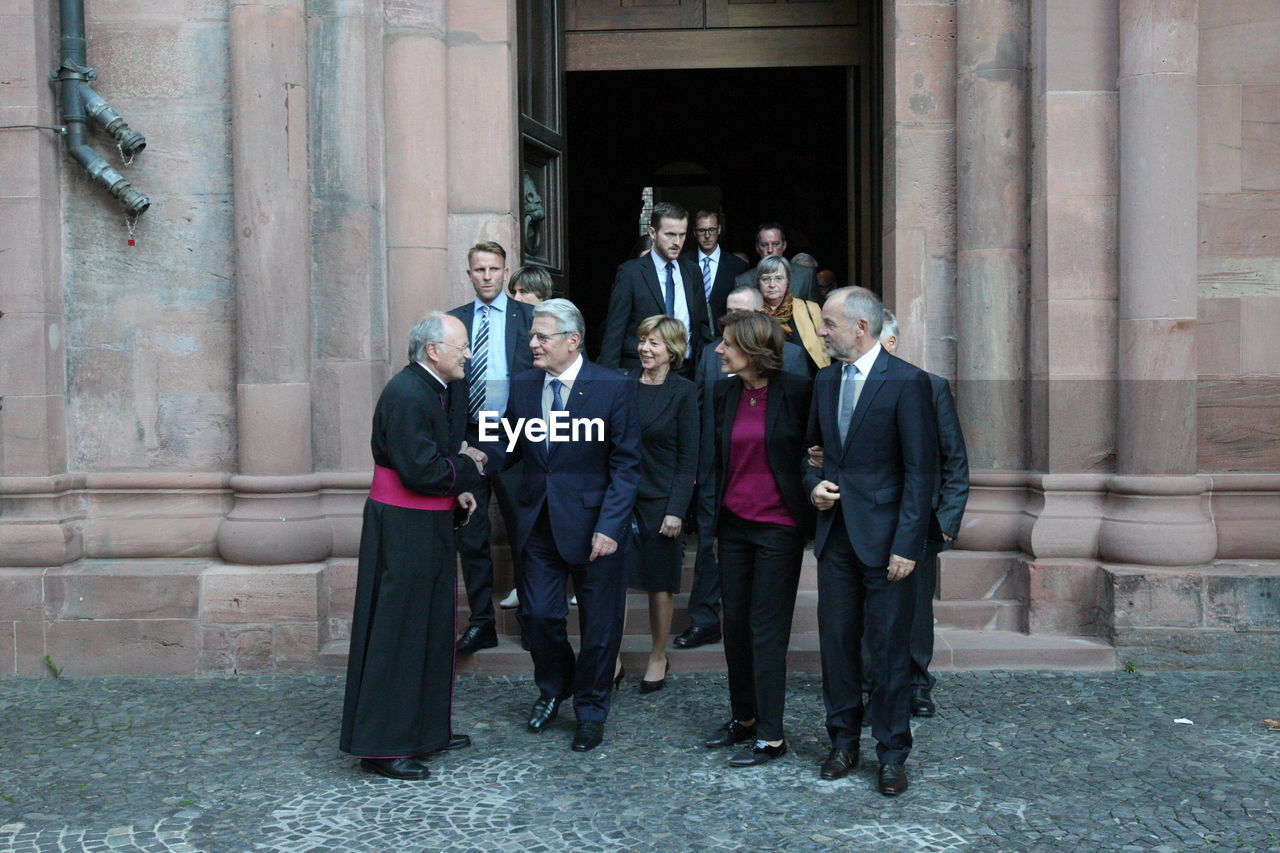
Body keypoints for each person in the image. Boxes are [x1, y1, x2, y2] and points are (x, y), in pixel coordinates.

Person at [484, 298, 642, 752]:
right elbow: (506, 446)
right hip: (538, 524)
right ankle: (555, 687)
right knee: (538, 615)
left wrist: (611, 526)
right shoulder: (521, 385)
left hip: (597, 529)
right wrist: (469, 460)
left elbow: (627, 465)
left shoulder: (613, 386)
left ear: (573, 341)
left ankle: (591, 709)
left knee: (600, 627)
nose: (532, 344)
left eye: (541, 337)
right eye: (532, 336)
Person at [340, 313, 488, 781]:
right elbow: (420, 470)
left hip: (424, 524)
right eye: (461, 345)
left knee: (428, 629)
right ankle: (383, 747)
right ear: (432, 351)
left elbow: (428, 465)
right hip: (403, 530)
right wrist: (466, 466)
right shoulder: (408, 393)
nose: (468, 353)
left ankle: (423, 733)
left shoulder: (428, 389)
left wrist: (454, 489)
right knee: (399, 633)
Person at [803, 286, 938, 797]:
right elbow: (810, 454)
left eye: (829, 324)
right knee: (837, 647)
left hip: (888, 545)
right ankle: (842, 743)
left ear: (860, 328)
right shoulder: (823, 381)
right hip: (835, 537)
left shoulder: (908, 382)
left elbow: (919, 472)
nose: (820, 331)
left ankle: (891, 752)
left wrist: (908, 544)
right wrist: (811, 485)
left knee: (886, 651)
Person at [702, 311, 812, 768]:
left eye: (727, 343)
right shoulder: (723, 392)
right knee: (736, 629)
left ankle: (771, 735)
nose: (718, 350)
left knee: (766, 632)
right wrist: (709, 526)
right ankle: (744, 718)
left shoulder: (797, 391)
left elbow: (816, 451)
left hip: (778, 528)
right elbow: (711, 462)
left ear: (751, 349)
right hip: (733, 527)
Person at [674, 286, 807, 651]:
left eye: (729, 342)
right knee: (730, 612)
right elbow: (708, 438)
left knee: (764, 624)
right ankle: (739, 704)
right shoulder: (718, 380)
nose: (719, 348)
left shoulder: (796, 379)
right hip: (727, 507)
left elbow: (805, 443)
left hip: (777, 520)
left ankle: (764, 709)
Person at [875, 310, 969, 716]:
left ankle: (917, 684)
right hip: (869, 515)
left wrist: (946, 523)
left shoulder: (930, 387)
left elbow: (955, 461)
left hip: (920, 521)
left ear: (890, 343)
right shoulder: (847, 387)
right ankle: (870, 680)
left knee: (915, 608)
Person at [447, 242, 535, 655]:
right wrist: (456, 442)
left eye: (493, 269)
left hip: (517, 436)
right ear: (469, 273)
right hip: (470, 438)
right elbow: (444, 388)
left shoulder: (529, 318)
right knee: (472, 534)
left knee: (527, 532)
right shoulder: (454, 322)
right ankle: (482, 622)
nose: (486, 275)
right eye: (479, 269)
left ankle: (533, 620)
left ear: (505, 272)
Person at [623, 315, 698, 692]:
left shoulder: (684, 392)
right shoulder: (623, 385)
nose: (645, 349)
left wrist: (676, 509)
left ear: (673, 350)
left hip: (661, 499)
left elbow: (689, 458)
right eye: (642, 340)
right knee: (612, 579)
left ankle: (657, 654)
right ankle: (612, 658)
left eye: (654, 343)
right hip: (621, 497)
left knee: (659, 583)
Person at [600, 201, 710, 376]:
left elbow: (702, 325)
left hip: (686, 370)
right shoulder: (631, 273)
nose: (677, 242)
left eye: (682, 235)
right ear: (652, 233)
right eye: (670, 234)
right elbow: (614, 331)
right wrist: (608, 381)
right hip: (641, 370)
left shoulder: (692, 272)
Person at [756, 255, 830, 374]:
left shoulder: (810, 309)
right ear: (758, 282)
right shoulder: (753, 312)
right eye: (766, 279)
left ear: (788, 281)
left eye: (779, 278)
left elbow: (825, 349)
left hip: (806, 381)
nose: (772, 284)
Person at [683, 209, 749, 323]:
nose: (707, 235)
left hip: (725, 331)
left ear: (719, 229)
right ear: (694, 232)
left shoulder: (737, 266)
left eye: (712, 230)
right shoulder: (683, 263)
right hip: (692, 331)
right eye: (702, 230)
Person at [734, 222, 818, 302]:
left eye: (775, 244)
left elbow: (814, 313)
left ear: (784, 245)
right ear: (757, 247)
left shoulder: (806, 275)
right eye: (764, 245)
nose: (770, 250)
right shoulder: (743, 281)